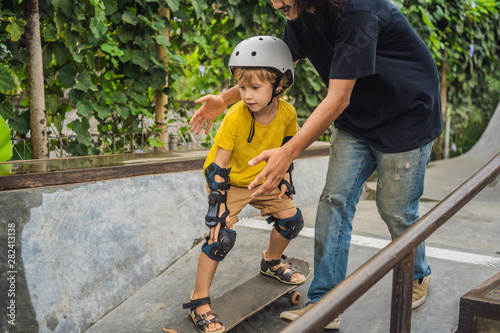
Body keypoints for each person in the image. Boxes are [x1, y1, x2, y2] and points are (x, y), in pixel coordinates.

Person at [190, 0, 443, 329]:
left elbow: (338, 97)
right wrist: (223, 100)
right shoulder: (298, 13)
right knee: (333, 201)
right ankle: (325, 302)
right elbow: (271, 70)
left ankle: (419, 273)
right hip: (357, 121)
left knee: (394, 209)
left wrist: (288, 151)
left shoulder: (358, 12)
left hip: (406, 118)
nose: (277, 3)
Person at [183, 36, 307, 333]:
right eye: (241, 87)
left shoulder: (288, 114)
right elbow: (218, 166)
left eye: (255, 88)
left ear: (279, 85)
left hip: (264, 180)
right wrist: (218, 207)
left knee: (292, 221)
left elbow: (286, 152)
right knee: (220, 235)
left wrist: (285, 180)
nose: (246, 95)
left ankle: (272, 262)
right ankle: (198, 300)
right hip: (232, 183)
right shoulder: (234, 117)